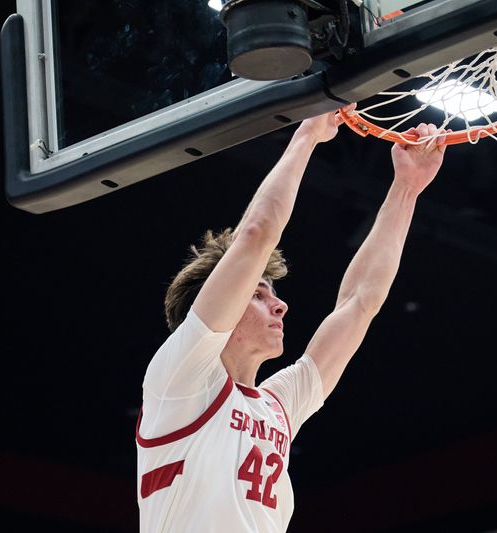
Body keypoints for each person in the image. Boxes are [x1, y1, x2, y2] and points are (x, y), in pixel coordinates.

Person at [135, 105, 449, 532]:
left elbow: (360, 302)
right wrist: (307, 135)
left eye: (275, 295)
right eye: (258, 294)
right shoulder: (182, 378)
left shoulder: (279, 404)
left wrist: (407, 189)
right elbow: (256, 234)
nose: (280, 306)